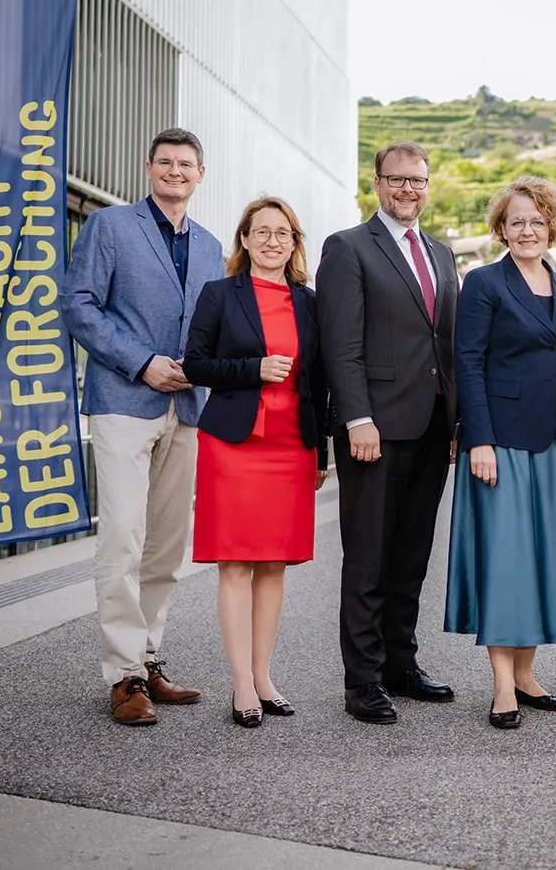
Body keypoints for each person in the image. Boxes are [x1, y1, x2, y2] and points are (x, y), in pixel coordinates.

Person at [62, 127, 225, 726]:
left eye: (187, 164)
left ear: (201, 174)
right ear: (148, 167)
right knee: (124, 538)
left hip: (188, 410)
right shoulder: (110, 227)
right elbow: (78, 305)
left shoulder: (211, 246)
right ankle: (123, 674)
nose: (176, 172)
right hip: (124, 402)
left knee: (166, 547)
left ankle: (149, 657)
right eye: (166, 162)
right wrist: (141, 361)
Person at [445, 175, 556, 730]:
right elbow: (469, 362)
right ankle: (502, 687)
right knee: (508, 562)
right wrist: (478, 437)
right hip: (502, 442)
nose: (527, 230)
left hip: (555, 442)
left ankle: (528, 676)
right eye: (517, 221)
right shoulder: (483, 282)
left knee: (543, 560)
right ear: (501, 228)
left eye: (537, 220)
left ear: (551, 226)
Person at [317, 141, 458, 725]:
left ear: (428, 185)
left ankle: (402, 663)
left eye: (418, 181)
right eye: (397, 180)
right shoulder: (348, 248)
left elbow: (444, 344)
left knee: (411, 557)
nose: (408, 190)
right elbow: (340, 344)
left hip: (430, 427)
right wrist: (356, 419)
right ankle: (364, 680)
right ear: (376, 183)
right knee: (369, 558)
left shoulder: (443, 253)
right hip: (373, 429)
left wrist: (456, 422)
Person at [184, 197, 329, 728]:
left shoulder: (309, 302)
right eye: (262, 231)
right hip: (235, 444)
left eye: (283, 233)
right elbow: (196, 364)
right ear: (243, 240)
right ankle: (240, 683)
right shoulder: (220, 294)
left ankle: (264, 676)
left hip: (293, 442)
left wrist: (322, 451)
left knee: (274, 564)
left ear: (294, 244)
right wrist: (253, 368)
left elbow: (322, 383)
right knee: (236, 563)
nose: (273, 241)